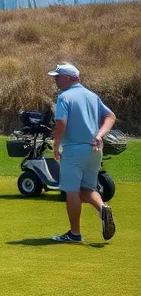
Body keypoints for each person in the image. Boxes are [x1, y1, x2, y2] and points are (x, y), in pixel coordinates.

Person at [48, 63, 118, 243]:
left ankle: (74, 234)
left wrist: (56, 145)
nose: (55, 80)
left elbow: (61, 124)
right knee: (86, 189)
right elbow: (110, 116)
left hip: (73, 150)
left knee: (71, 191)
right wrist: (100, 135)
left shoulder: (64, 97)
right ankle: (103, 209)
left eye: (58, 76)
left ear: (70, 78)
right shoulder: (92, 96)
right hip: (95, 149)